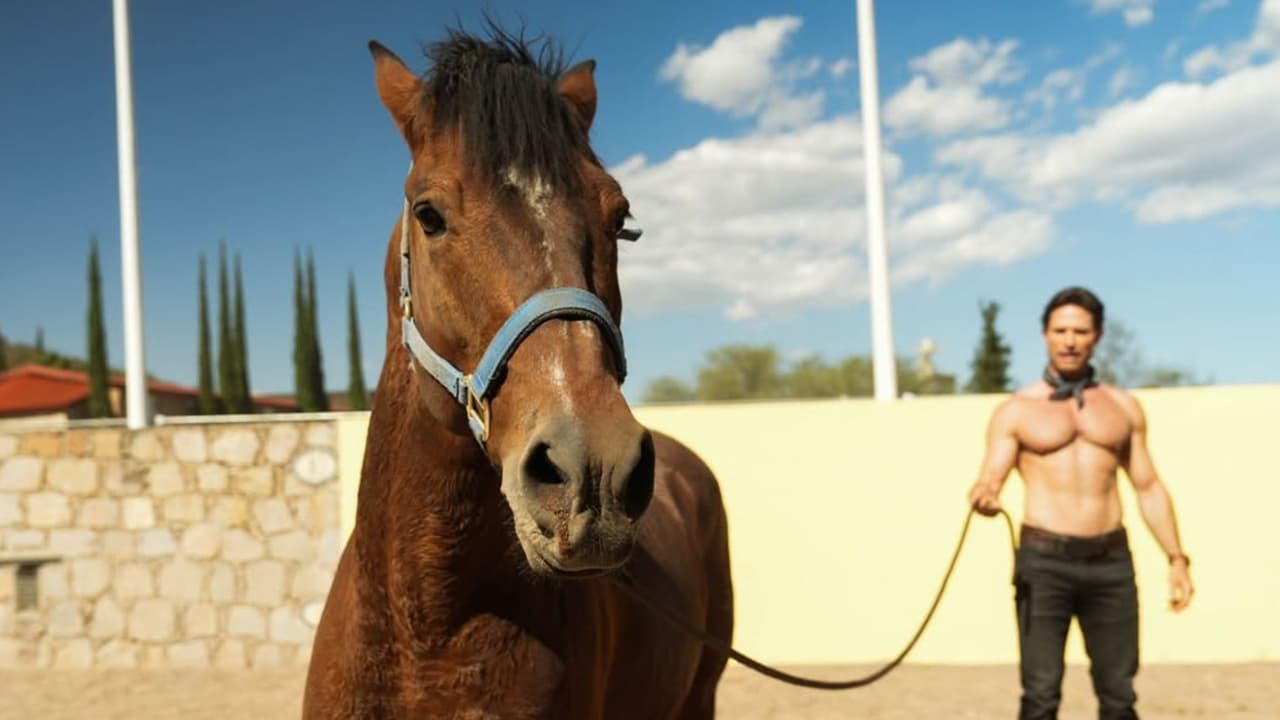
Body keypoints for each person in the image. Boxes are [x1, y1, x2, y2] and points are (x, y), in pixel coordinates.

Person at [967, 286, 1194, 720]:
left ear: (1097, 336)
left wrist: (1177, 558)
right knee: (1040, 693)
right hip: (1043, 563)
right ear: (1045, 335)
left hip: (1111, 563)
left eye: (1080, 331)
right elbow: (988, 479)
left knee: (1119, 694)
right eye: (1060, 330)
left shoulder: (1123, 407)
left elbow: (1148, 486)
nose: (1070, 340)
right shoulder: (1016, 410)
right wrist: (984, 496)